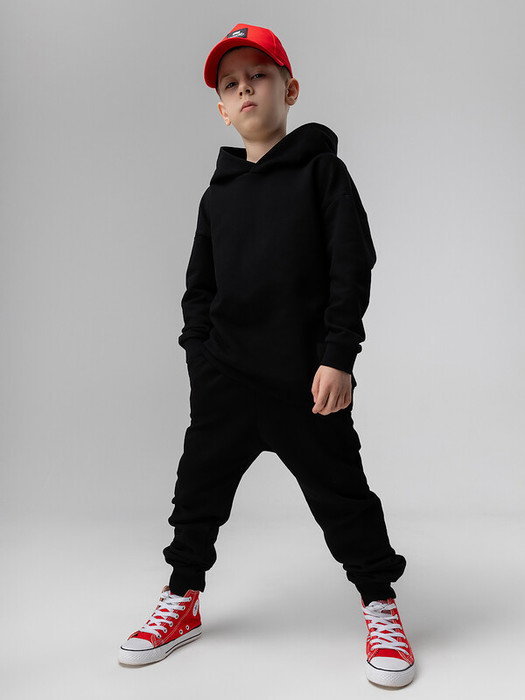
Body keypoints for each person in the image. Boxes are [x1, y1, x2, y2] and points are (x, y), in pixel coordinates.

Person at [118, 23, 415, 688]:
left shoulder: (322, 173)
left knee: (343, 498)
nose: (245, 87)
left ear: (290, 89)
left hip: (305, 383)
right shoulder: (217, 195)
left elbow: (351, 267)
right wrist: (201, 361)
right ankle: (181, 599)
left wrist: (337, 357)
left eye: (259, 74)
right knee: (195, 496)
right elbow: (198, 289)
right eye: (231, 83)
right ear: (223, 110)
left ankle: (379, 603)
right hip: (225, 381)